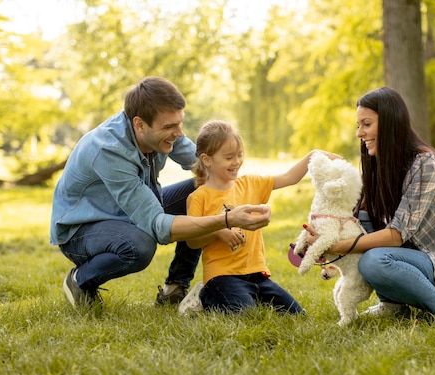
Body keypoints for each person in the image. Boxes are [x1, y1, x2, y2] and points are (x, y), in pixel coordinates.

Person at [50, 77, 271, 308]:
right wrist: (225, 220)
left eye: (179, 123)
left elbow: (203, 164)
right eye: (168, 127)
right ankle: (80, 280)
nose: (178, 133)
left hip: (126, 211)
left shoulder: (162, 131)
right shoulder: (109, 150)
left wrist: (232, 185)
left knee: (201, 188)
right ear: (139, 124)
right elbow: (157, 225)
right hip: (83, 229)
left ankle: (175, 288)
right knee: (140, 246)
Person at [303, 87, 435, 329]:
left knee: (374, 261)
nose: (360, 133)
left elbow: (397, 235)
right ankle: (392, 304)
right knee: (361, 220)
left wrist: (337, 245)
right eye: (358, 125)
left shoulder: (427, 164)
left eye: (366, 124)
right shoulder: (379, 165)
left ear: (389, 121)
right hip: (411, 261)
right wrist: (325, 243)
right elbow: (355, 223)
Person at [181, 120, 340, 314]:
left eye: (239, 155)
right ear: (207, 160)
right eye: (229, 157)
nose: (237, 161)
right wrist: (218, 231)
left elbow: (289, 177)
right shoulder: (199, 197)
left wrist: (313, 156)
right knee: (246, 313)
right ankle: (204, 296)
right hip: (222, 276)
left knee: (296, 314)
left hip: (257, 275)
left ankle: (242, 296)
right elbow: (192, 241)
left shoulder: (250, 183)